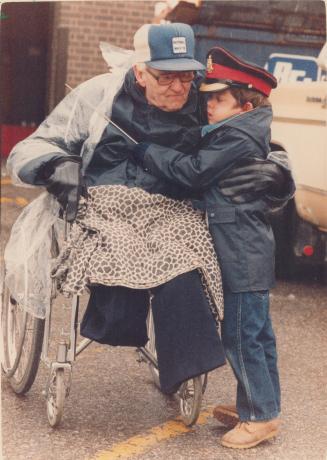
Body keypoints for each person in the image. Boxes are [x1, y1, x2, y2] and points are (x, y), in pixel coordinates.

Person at [7, 24, 291, 396]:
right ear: (141, 71)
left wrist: (280, 170)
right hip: (105, 208)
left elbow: (254, 133)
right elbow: (33, 145)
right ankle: (120, 325)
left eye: (186, 76)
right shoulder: (100, 95)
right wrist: (54, 162)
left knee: (186, 260)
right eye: (166, 77)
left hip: (172, 209)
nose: (179, 87)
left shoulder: (207, 99)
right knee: (118, 254)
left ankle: (185, 366)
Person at [132, 46, 295, 448]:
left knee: (242, 336)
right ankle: (259, 404)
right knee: (257, 336)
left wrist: (147, 151)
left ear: (244, 104)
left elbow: (193, 172)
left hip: (242, 256)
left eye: (218, 99)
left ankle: (260, 417)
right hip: (248, 253)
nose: (208, 105)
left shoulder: (235, 136)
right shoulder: (240, 131)